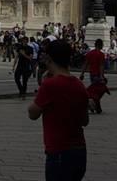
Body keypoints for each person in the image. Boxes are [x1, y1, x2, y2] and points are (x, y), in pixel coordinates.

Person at [29, 38, 89, 181]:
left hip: (59, 152)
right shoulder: (79, 85)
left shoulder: (50, 85)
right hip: (80, 152)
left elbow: (33, 113)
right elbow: (85, 121)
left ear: (49, 58)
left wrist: (42, 87)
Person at [84, 38, 108, 114]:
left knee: (94, 91)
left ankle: (94, 106)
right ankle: (95, 107)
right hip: (98, 75)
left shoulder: (90, 53)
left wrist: (82, 73)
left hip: (92, 74)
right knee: (97, 92)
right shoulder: (101, 54)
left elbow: (86, 64)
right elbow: (101, 66)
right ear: (100, 45)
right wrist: (101, 76)